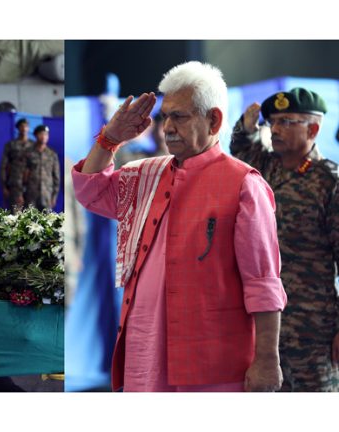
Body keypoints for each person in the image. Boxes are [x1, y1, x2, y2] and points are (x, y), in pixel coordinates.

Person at [72, 61, 287, 392]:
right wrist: (109, 139)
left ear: (213, 119)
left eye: (180, 117)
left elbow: (262, 282)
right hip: (145, 355)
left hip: (213, 364)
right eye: (165, 115)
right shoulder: (146, 174)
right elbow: (90, 190)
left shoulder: (244, 184)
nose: (167, 127)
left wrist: (267, 360)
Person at [230, 88, 339, 391]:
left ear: (313, 129)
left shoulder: (329, 181)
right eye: (272, 122)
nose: (275, 129)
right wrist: (247, 125)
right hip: (261, 327)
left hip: (311, 329)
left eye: (287, 122)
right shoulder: (263, 168)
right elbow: (239, 149)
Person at [22, 125, 60, 210]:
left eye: (46, 135)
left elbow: (56, 177)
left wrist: (54, 196)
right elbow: (22, 175)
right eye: (41, 134)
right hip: (31, 194)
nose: (44, 137)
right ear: (36, 135)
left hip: (46, 195)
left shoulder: (52, 154)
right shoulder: (28, 153)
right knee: (30, 220)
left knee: (47, 221)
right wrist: (21, 193)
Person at [1, 118, 34, 209]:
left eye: (26, 126)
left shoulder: (33, 145)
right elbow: (3, 166)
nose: (24, 128)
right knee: (16, 212)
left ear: (28, 128)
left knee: (31, 213)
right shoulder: (11, 145)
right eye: (21, 126)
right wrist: (4, 186)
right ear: (18, 128)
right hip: (15, 183)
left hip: (31, 184)